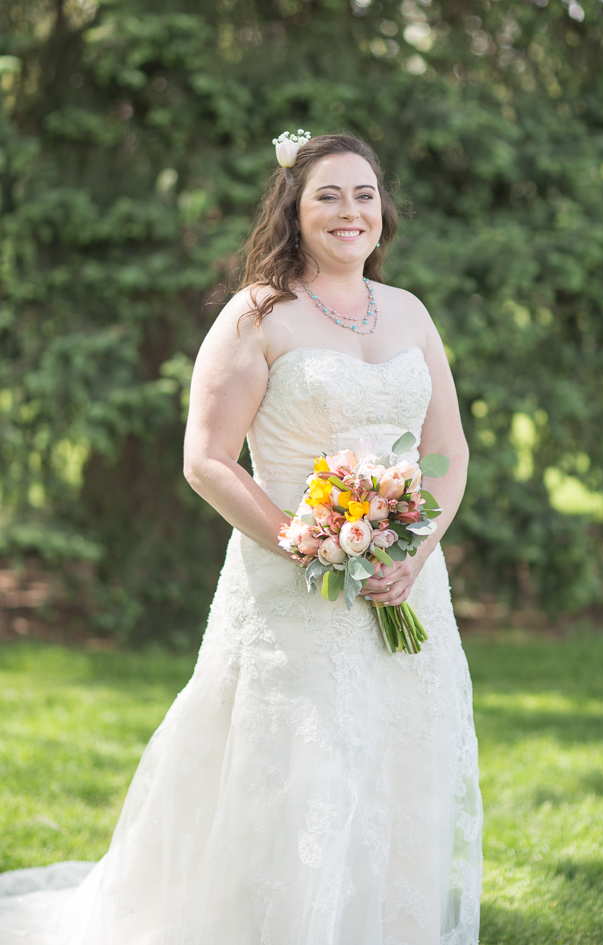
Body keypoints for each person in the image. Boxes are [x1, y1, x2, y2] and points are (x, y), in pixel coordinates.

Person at [0, 133, 482, 944]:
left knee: (400, 763)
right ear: (294, 207)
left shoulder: (409, 314)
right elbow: (206, 459)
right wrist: (308, 540)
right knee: (295, 772)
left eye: (364, 194)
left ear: (383, 210)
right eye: (328, 195)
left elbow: (451, 449)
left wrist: (416, 549)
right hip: (289, 585)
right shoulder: (258, 313)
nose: (350, 212)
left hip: (405, 582)